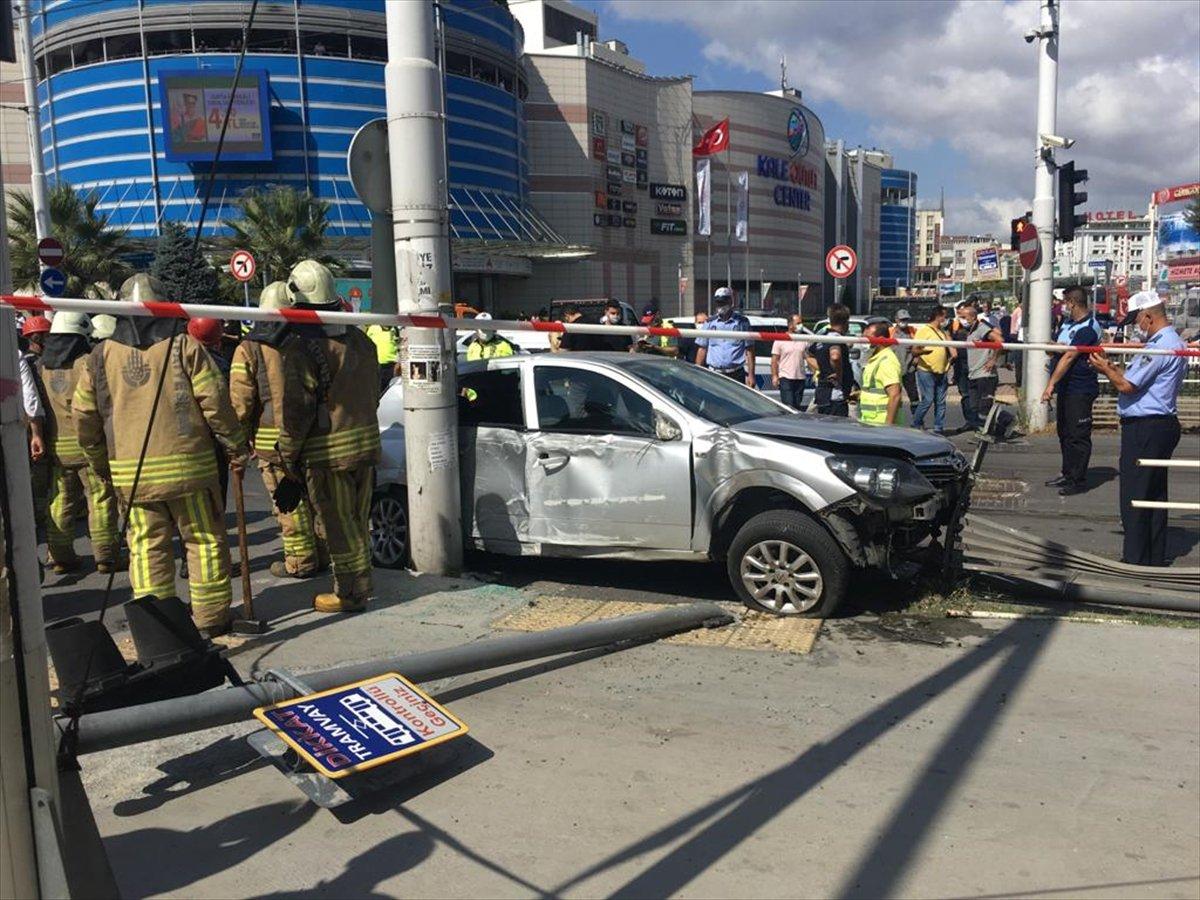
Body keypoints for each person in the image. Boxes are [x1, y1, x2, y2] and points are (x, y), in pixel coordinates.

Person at [73, 274, 250, 637]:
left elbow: (85, 418)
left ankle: (160, 629)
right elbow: (214, 401)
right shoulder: (184, 346)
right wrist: (235, 444)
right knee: (204, 541)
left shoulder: (99, 356)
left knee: (145, 549)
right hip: (191, 471)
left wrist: (99, 465)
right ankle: (212, 619)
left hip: (133, 478)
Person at [282, 260, 381, 613]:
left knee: (339, 527)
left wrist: (288, 453)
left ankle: (351, 594)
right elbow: (374, 390)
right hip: (366, 447)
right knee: (358, 520)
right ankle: (362, 583)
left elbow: (297, 409)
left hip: (328, 454)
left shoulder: (301, 348)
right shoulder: (358, 339)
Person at [229, 279, 328, 580]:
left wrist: (238, 439)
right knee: (315, 501)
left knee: (289, 505)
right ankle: (323, 555)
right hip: (309, 435)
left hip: (271, 443)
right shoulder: (307, 342)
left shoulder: (249, 347)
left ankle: (300, 562)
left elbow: (241, 401)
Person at [1089, 291, 1188, 566]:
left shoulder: (1159, 346)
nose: (1136, 326)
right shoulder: (1173, 341)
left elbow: (1127, 385)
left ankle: (1135, 559)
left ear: (1148, 316)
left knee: (1135, 495)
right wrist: (1112, 369)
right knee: (1154, 494)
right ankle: (1153, 556)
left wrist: (1106, 369)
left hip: (1146, 426)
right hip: (1161, 424)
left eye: (1136, 320)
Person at [40, 312, 119, 574]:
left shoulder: (42, 367)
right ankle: (106, 556)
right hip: (88, 445)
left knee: (61, 500)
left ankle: (61, 557)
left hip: (56, 448)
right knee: (100, 498)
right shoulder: (87, 362)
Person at [1042, 286, 1101, 495]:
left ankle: (1078, 479)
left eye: (1065, 303)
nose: (1062, 307)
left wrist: (1049, 385)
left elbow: (1069, 356)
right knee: (1064, 433)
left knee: (1078, 435)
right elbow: (1058, 348)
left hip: (1080, 387)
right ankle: (1067, 473)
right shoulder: (1066, 324)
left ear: (1073, 303)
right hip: (1065, 386)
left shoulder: (1089, 327)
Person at [20, 315, 51, 530]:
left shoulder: (23, 360)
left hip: (28, 426)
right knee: (39, 475)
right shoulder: (36, 363)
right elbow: (31, 399)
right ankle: (39, 514)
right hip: (37, 424)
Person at [695, 288, 755, 387]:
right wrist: (697, 373)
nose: (720, 306)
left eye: (723, 302)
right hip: (714, 374)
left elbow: (750, 350)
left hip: (736, 373)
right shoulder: (709, 323)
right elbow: (702, 349)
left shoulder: (742, 322)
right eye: (718, 303)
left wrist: (751, 375)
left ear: (731, 301)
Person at [911, 304, 954, 434]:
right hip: (926, 370)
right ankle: (916, 423)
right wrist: (923, 352)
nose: (946, 319)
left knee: (940, 402)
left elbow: (951, 349)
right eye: (944, 316)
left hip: (942, 370)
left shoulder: (942, 332)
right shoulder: (924, 331)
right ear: (938, 316)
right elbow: (915, 350)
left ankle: (938, 428)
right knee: (928, 399)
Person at [963, 302, 1004, 432]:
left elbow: (1000, 340)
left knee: (984, 407)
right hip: (973, 373)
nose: (963, 320)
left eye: (965, 317)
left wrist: (993, 359)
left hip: (985, 374)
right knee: (974, 406)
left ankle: (1003, 423)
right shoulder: (971, 331)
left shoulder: (982, 328)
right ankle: (982, 430)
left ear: (973, 317)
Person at [807, 304, 852, 416]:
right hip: (835, 396)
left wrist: (823, 367)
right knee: (837, 430)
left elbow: (808, 355)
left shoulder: (822, 337)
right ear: (846, 321)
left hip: (822, 393)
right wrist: (838, 374)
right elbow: (835, 356)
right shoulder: (835, 338)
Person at [858, 321, 904, 426]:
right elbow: (877, 389)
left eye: (868, 338)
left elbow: (895, 395)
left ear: (881, 339)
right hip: (871, 421)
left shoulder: (886, 360)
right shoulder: (875, 359)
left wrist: (888, 426)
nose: (865, 341)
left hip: (882, 424)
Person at [950, 300, 979, 429]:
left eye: (964, 316)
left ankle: (978, 422)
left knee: (976, 395)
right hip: (960, 366)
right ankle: (970, 421)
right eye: (960, 316)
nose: (963, 319)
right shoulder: (953, 327)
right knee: (965, 394)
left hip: (975, 365)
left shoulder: (980, 326)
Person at [771, 314, 809, 411]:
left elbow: (809, 357)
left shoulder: (804, 340)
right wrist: (775, 375)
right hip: (786, 377)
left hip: (800, 378)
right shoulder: (780, 339)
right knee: (789, 405)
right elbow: (774, 359)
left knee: (797, 405)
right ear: (790, 325)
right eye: (798, 323)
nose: (801, 326)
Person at [891, 309, 920, 414]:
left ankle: (917, 421)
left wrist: (917, 358)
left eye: (906, 319)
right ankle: (895, 418)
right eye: (902, 319)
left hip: (909, 370)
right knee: (894, 396)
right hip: (894, 371)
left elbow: (920, 347)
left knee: (914, 397)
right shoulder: (890, 332)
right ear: (896, 319)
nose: (904, 321)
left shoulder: (913, 331)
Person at [365, 324, 399, 393]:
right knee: (376, 391)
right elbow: (365, 346)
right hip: (375, 366)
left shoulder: (394, 329)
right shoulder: (372, 328)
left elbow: (398, 345)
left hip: (391, 366)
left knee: (390, 391)